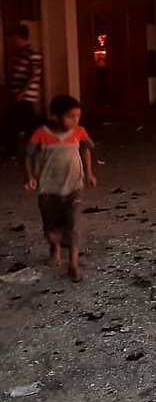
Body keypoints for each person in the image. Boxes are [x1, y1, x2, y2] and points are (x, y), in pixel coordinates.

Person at [24, 94, 96, 281]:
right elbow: (28, 155)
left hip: (73, 186)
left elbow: (85, 149)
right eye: (71, 116)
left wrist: (89, 173)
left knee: (73, 225)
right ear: (55, 117)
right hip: (49, 189)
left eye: (78, 116)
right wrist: (29, 176)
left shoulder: (79, 132)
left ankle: (73, 264)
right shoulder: (42, 133)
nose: (76, 120)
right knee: (52, 227)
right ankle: (54, 250)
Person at [3, 24, 44, 161]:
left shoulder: (33, 54)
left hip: (25, 96)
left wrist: (22, 92)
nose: (13, 41)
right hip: (18, 95)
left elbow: (33, 75)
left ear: (19, 37)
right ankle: (17, 150)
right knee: (22, 123)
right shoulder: (19, 54)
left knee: (21, 123)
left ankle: (19, 150)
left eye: (15, 37)